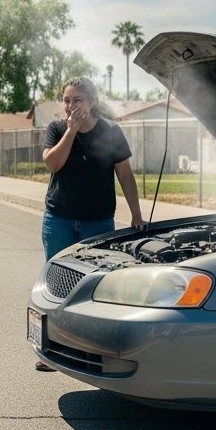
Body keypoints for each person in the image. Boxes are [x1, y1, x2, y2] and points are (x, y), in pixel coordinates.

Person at [36, 76, 144, 371]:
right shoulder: (57, 129)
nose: (71, 106)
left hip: (98, 223)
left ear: (92, 101)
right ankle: (51, 351)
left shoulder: (110, 131)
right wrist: (71, 131)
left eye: (77, 100)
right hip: (59, 220)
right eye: (67, 100)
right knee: (57, 284)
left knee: (97, 287)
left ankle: (93, 351)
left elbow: (125, 175)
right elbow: (52, 164)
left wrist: (136, 214)